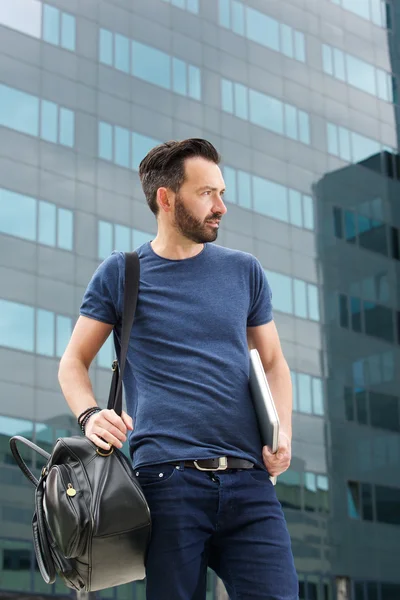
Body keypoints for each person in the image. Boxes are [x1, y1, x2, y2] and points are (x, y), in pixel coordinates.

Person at [58, 139, 298, 600]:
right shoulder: (121, 273)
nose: (221, 207)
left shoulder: (244, 271)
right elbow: (73, 362)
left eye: (222, 193)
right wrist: (91, 416)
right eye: (207, 193)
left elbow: (273, 363)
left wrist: (281, 432)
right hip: (167, 484)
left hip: (250, 480)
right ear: (166, 198)